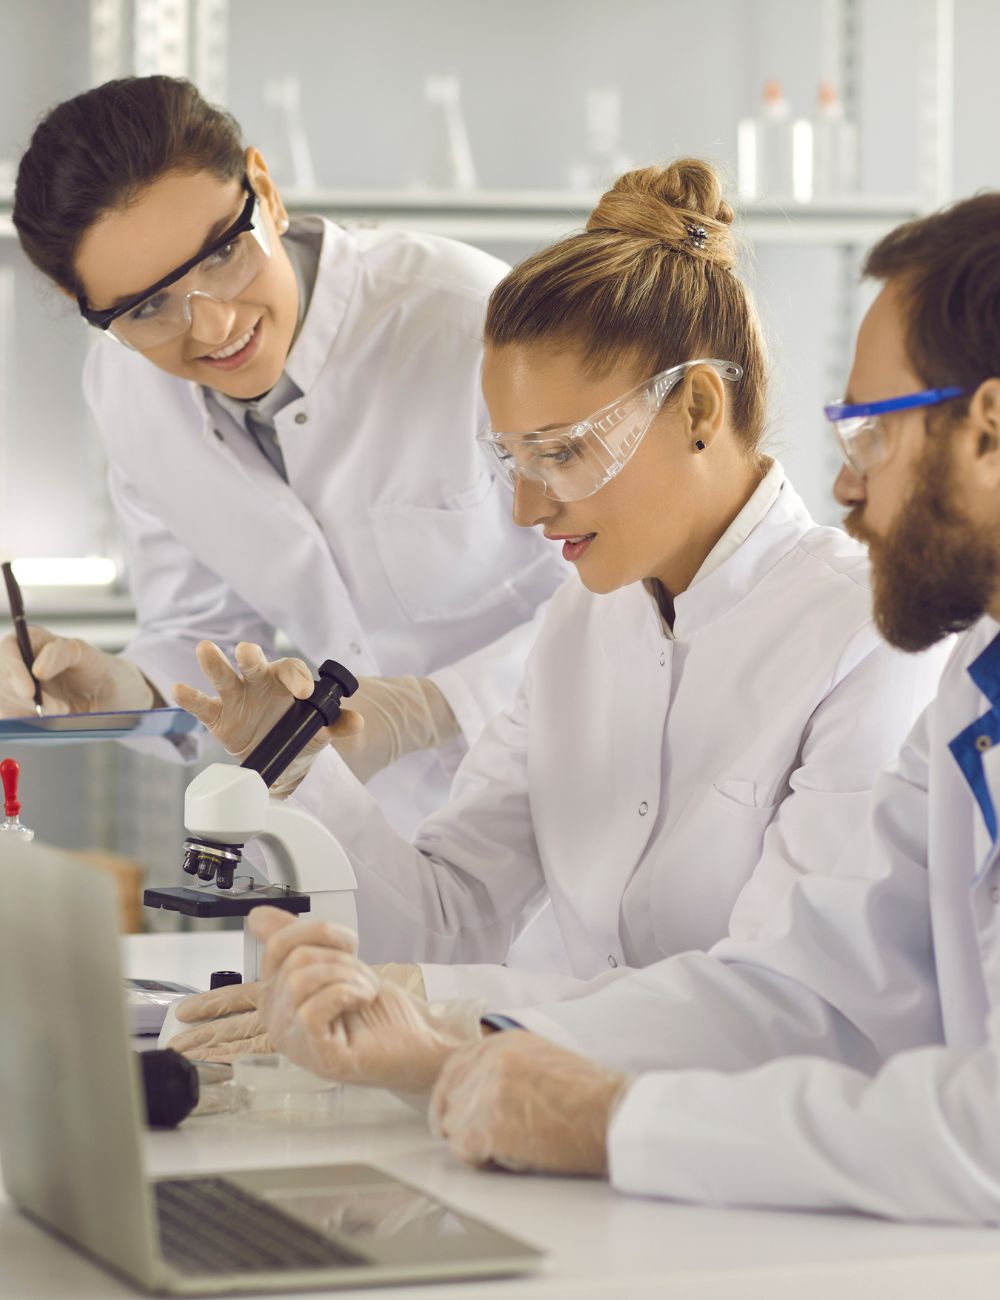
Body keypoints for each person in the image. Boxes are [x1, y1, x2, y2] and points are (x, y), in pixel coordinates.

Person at [237, 189, 1000, 1226]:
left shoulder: (874, 635)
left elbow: (891, 1070)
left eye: (867, 434)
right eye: (512, 459)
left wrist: (586, 1106)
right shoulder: (970, 683)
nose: (847, 484)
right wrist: (439, 1024)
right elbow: (801, 985)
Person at [2, 75, 567, 838]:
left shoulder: (468, 323)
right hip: (392, 845)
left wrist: (440, 705)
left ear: (263, 190)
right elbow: (203, 634)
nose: (212, 326)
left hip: (577, 796)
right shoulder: (128, 393)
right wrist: (118, 685)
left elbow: (636, 596)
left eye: (223, 255)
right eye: (147, 308)